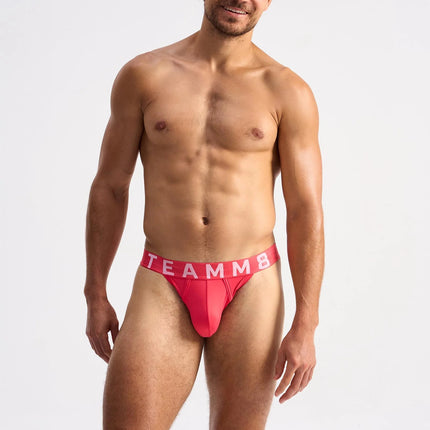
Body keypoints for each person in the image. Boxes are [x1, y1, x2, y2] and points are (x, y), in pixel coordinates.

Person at [84, 0, 324, 428]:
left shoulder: (287, 91)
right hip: (164, 280)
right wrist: (95, 293)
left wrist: (306, 325)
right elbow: (110, 186)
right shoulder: (144, 75)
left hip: (252, 285)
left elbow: (305, 210)